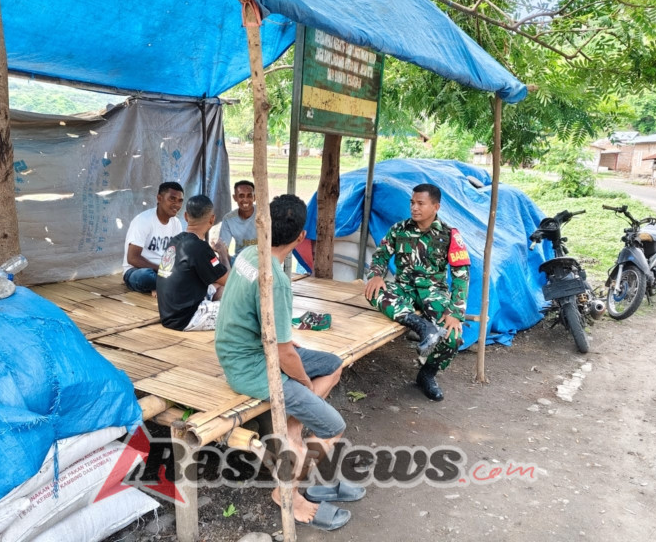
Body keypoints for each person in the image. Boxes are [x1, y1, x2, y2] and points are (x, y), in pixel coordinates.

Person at [215, 195, 357, 531]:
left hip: (244, 350)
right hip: (251, 366)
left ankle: (293, 430)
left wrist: (288, 353)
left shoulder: (249, 254)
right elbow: (284, 355)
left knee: (333, 364)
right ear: (301, 236)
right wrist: (303, 383)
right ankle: (286, 492)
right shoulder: (276, 280)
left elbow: (273, 334)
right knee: (333, 427)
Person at [364, 183, 470, 402]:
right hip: (403, 288)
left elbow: (461, 275)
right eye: (412, 202)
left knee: (453, 337)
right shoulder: (399, 229)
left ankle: (427, 374)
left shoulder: (449, 234)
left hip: (434, 292)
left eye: (420, 203)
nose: (414, 207)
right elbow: (381, 255)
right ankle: (423, 327)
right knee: (374, 292)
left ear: (436, 207)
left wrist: (455, 312)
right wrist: (376, 274)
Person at [156, 195, 230, 331]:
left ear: (186, 216)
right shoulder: (200, 247)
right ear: (212, 219)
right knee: (241, 307)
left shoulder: (175, 240)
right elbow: (229, 281)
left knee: (219, 287)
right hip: (186, 318)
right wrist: (223, 254)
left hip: (169, 313)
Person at [122, 182, 184, 294]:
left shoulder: (176, 224)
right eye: (172, 199)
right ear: (159, 198)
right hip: (137, 271)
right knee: (146, 277)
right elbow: (132, 258)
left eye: (180, 201)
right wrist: (162, 270)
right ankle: (164, 285)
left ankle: (161, 286)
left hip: (164, 273)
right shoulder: (143, 220)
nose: (177, 204)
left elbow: (176, 255)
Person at [218, 180, 257, 263]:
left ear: (254, 197)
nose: (245, 200)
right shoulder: (228, 219)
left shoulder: (263, 215)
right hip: (240, 261)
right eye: (241, 196)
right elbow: (223, 247)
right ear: (235, 197)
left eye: (249, 196)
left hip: (262, 260)